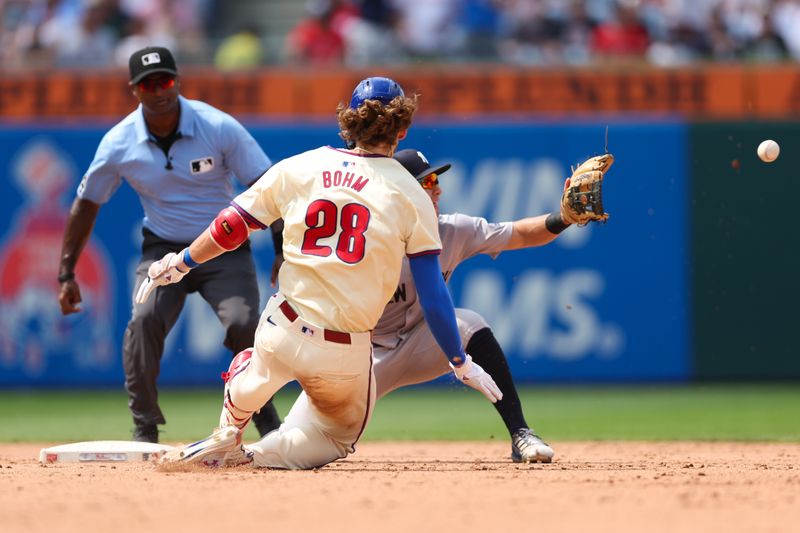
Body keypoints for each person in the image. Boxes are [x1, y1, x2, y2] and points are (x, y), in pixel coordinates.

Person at [138, 76, 502, 469]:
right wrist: (458, 360)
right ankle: (250, 457)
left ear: (349, 122)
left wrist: (183, 261)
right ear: (403, 128)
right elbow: (432, 293)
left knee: (255, 366)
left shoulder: (302, 165)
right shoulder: (412, 194)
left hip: (282, 328)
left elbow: (232, 225)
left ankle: (229, 427)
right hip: (342, 353)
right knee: (335, 436)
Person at [57, 46, 281, 443]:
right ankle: (145, 427)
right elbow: (86, 203)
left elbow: (268, 188)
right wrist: (66, 273)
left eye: (165, 81)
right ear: (134, 90)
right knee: (143, 322)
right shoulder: (119, 143)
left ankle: (263, 418)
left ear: (178, 81)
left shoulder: (218, 126)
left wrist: (282, 253)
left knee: (244, 324)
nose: (158, 90)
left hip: (222, 247)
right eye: (148, 84)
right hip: (162, 251)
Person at [375, 148, 568, 463]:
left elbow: (519, 234)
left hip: (424, 342)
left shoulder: (453, 230)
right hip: (368, 358)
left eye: (436, 179)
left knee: (470, 324)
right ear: (402, 192)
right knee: (320, 440)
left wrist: (564, 218)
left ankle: (521, 433)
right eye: (428, 181)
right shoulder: (370, 240)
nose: (437, 188)